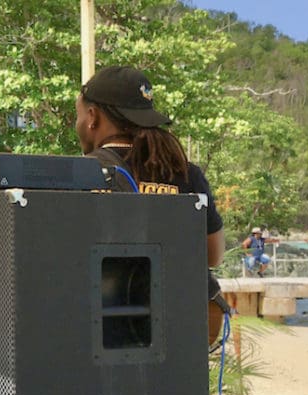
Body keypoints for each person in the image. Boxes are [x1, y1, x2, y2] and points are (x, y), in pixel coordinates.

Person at [74, 66, 226, 344]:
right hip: (183, 327)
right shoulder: (186, 172)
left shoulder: (79, 174)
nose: (78, 124)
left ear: (93, 118)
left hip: (103, 331)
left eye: (79, 115)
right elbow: (214, 255)